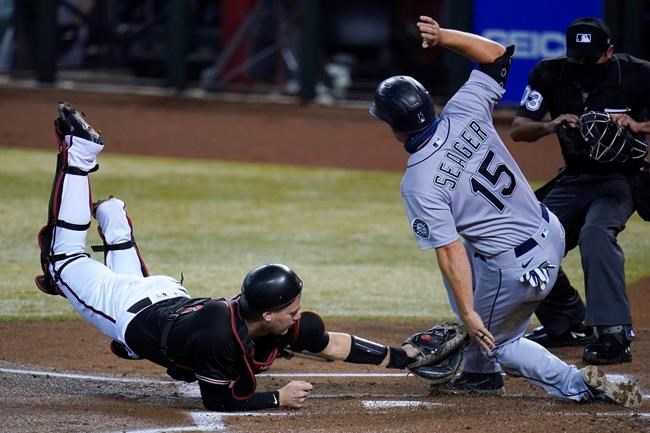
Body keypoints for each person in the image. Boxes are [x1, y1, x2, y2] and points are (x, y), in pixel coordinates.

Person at [35, 102, 434, 412]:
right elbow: (219, 401)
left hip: (160, 298)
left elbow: (331, 344)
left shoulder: (266, 319)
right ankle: (81, 156)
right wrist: (279, 398)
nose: (298, 316)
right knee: (63, 258)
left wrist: (405, 357)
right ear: (267, 313)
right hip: (132, 308)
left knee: (133, 321)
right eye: (291, 310)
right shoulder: (218, 336)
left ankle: (113, 219)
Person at [369, 15, 641, 408]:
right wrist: (444, 37)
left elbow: (449, 252)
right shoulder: (465, 109)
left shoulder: (419, 182)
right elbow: (496, 55)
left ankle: (577, 384)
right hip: (551, 233)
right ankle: (480, 376)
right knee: (481, 256)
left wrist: (468, 316)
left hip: (518, 272)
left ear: (394, 127)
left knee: (499, 339)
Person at [509, 17, 650, 364]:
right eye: (578, 58)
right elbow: (518, 129)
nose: (584, 65)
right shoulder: (549, 73)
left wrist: (638, 125)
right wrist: (549, 125)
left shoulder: (639, 73)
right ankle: (566, 320)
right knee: (521, 237)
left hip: (621, 179)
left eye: (592, 58)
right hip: (575, 178)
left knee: (596, 235)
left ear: (610, 51)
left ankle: (614, 333)